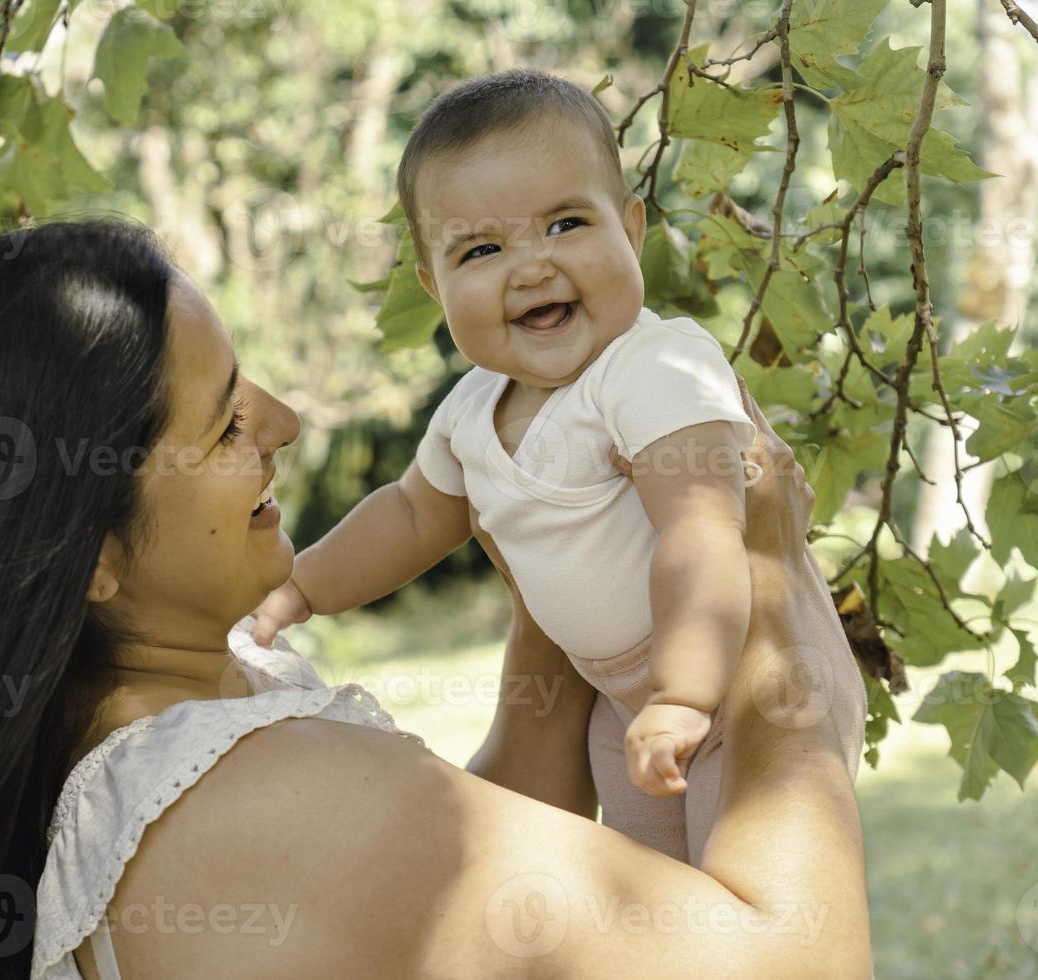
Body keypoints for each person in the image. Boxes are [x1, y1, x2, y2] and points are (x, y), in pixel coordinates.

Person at [0, 218, 870, 980]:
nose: (282, 424)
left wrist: (564, 570)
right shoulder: (262, 797)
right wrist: (758, 581)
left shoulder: (141, 734)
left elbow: (437, 894)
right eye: (227, 420)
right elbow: (798, 959)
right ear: (86, 560)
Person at [251, 69, 865, 865]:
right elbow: (409, 516)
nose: (533, 266)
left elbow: (700, 533)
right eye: (483, 249)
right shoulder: (473, 409)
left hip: (742, 670)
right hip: (620, 695)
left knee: (742, 879)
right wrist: (303, 588)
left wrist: (684, 695)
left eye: (566, 224)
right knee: (650, 893)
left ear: (632, 227)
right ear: (434, 286)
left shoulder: (654, 368)